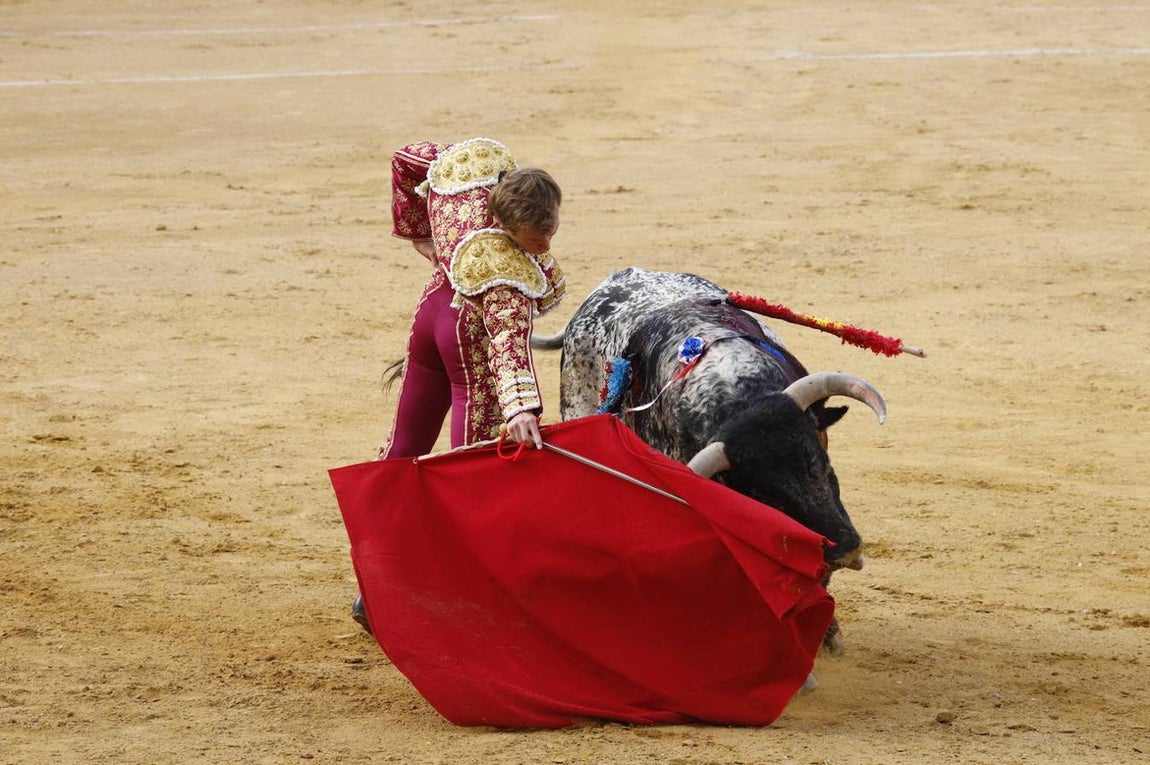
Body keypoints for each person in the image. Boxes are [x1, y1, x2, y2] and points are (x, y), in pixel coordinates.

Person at [351, 137, 566, 632]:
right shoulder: (506, 273)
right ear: (510, 230)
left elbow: (408, 158)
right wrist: (520, 408)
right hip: (466, 342)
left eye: (549, 232)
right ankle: (466, 598)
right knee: (471, 475)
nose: (546, 246)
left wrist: (417, 232)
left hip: (430, 318)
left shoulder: (470, 175)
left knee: (402, 450)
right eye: (537, 240)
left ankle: (371, 585)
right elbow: (508, 342)